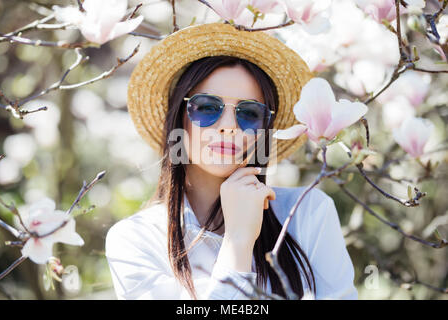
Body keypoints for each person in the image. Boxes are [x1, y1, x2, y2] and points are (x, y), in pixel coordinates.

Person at [105, 22, 358, 300]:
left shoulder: (309, 215)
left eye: (249, 113)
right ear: (179, 119)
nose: (228, 126)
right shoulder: (136, 240)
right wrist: (238, 242)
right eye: (206, 108)